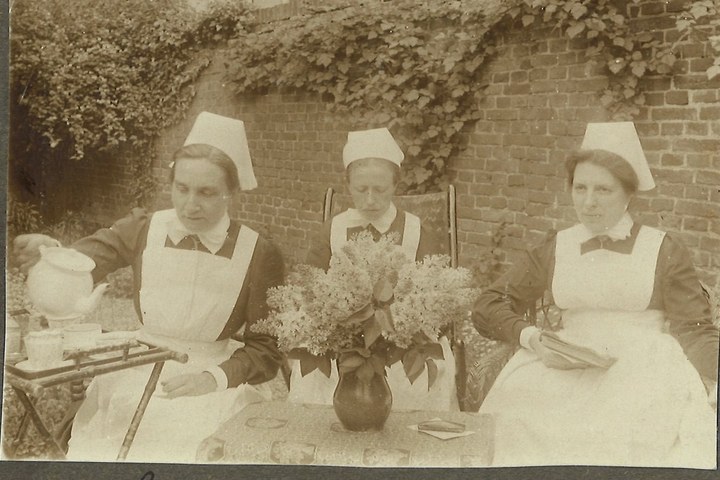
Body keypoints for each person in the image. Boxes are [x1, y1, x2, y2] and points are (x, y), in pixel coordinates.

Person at [12, 112, 284, 462]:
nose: (190, 205)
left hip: (211, 378)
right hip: (139, 368)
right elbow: (87, 259)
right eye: (181, 188)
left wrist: (212, 378)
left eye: (206, 192)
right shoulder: (145, 228)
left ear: (231, 193)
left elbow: (266, 351)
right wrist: (54, 255)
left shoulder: (259, 252)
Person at [472, 122, 718, 468]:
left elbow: (694, 328)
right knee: (518, 425)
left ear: (628, 194)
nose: (588, 203)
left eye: (603, 190)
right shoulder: (556, 245)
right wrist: (532, 338)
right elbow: (488, 305)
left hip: (644, 367)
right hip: (563, 364)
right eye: (580, 188)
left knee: (620, 435)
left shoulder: (662, 248)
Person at [292, 127, 458, 411]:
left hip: (404, 348)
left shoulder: (418, 232)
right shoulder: (333, 230)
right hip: (342, 349)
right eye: (361, 189)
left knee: (416, 382)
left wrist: (405, 327)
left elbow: (439, 300)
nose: (370, 200)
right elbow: (308, 292)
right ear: (348, 187)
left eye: (380, 190)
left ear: (395, 186)